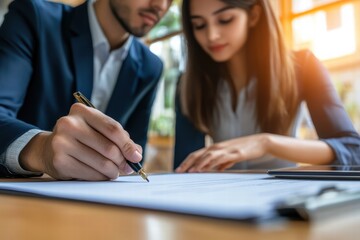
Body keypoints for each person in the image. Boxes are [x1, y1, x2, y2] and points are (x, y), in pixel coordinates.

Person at [174, 0, 360, 173]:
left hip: (285, 198)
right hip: (218, 198)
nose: (211, 35)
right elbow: (184, 166)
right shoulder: (189, 83)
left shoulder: (303, 66)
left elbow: (352, 150)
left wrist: (266, 143)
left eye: (225, 20)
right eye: (199, 25)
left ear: (254, 15)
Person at [0, 0, 173, 180]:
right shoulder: (35, 18)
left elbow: (132, 157)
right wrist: (41, 150)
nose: (161, 5)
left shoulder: (151, 67)